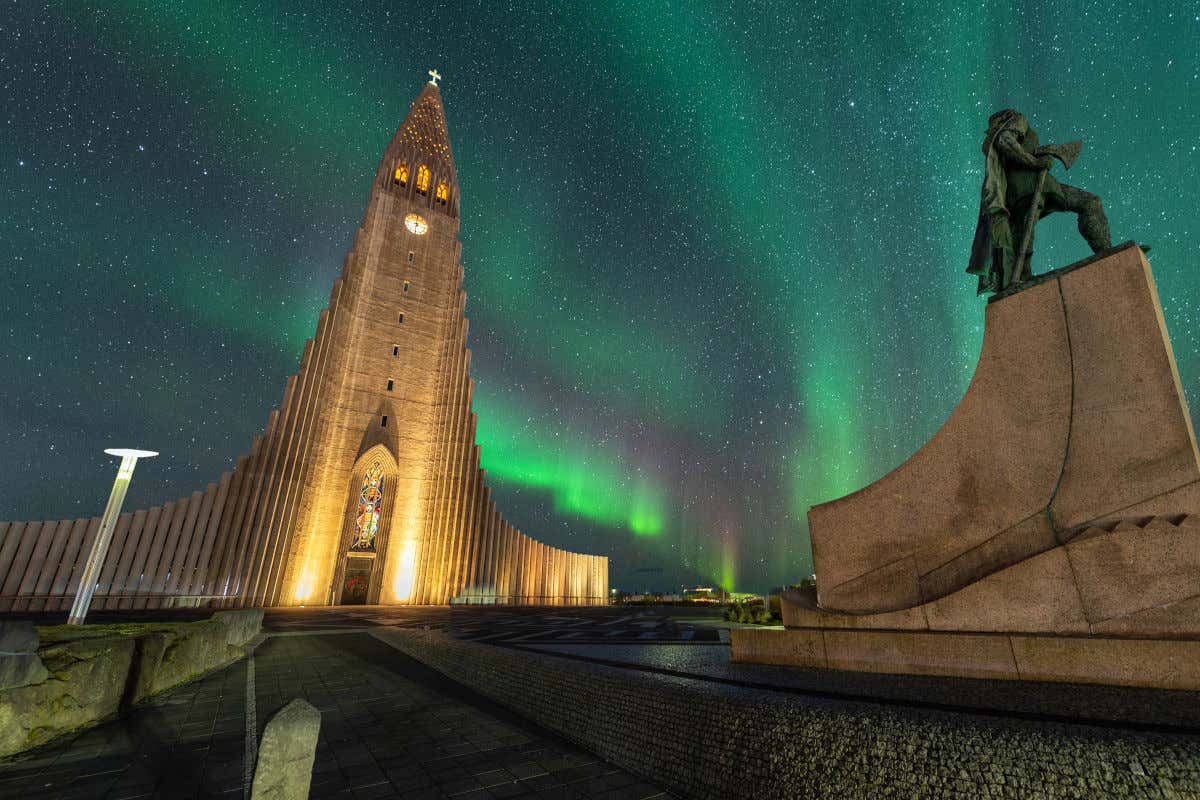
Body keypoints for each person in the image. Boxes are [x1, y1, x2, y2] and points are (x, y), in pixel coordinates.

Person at [966, 109, 1114, 295]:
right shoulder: (1016, 119)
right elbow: (1006, 140)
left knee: (1023, 232)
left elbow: (1006, 143)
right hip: (1030, 186)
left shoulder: (994, 136)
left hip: (1017, 192)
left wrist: (1038, 154)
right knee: (1090, 203)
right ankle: (1106, 252)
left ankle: (1023, 278)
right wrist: (1035, 162)